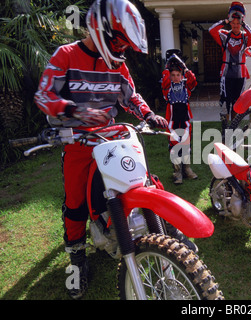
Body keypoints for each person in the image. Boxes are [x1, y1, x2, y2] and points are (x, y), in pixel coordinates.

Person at [34, 0, 168, 299]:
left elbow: (130, 96)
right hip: (78, 142)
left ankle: (164, 237)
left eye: (126, 43)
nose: (122, 49)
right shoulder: (65, 55)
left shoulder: (118, 64)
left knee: (141, 183)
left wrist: (148, 115)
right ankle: (78, 259)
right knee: (76, 205)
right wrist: (74, 111)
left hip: (113, 138)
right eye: (119, 40)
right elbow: (44, 95)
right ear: (100, 29)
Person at [209, 1, 251, 136]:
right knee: (224, 102)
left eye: (238, 23)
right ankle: (225, 128)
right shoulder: (224, 35)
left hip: (240, 74)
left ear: (241, 23)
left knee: (237, 102)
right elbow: (212, 30)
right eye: (233, 23)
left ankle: (233, 128)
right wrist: (224, 21)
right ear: (230, 22)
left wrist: (244, 24)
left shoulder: (244, 37)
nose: (235, 26)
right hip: (226, 72)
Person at [161, 51, 198, 185]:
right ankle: (177, 172)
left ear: (181, 76)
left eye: (178, 75)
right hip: (172, 121)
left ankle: (187, 169)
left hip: (185, 120)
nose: (176, 77)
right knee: (174, 145)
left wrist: (185, 67)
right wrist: (167, 66)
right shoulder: (167, 88)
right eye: (173, 75)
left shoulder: (186, 86)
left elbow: (193, 81)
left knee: (186, 144)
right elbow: (164, 79)